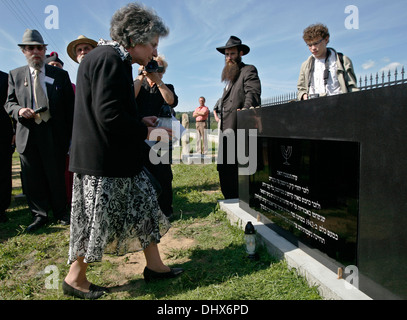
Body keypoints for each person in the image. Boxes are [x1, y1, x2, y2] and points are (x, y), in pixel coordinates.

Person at [63, 3, 183, 299]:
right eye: (153, 45)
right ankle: (75, 278)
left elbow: (109, 110)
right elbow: (108, 117)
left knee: (144, 206)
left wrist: (139, 119)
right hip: (102, 161)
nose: (154, 53)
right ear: (137, 38)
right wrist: (148, 131)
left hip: (119, 158)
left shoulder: (109, 57)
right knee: (94, 221)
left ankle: (155, 267)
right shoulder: (109, 59)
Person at [5, 29, 75, 232]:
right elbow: (9, 104)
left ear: (44, 50)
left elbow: (69, 107)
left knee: (55, 174)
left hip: (54, 133)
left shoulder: (59, 75)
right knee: (33, 176)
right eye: (30, 48)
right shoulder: (15, 75)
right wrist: (20, 110)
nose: (35, 51)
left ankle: (62, 212)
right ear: (24, 51)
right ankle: (39, 215)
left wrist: (71, 135)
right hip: (28, 133)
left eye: (39, 48)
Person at [216, 36, 261, 199]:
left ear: (240, 53)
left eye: (232, 54)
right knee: (226, 168)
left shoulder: (248, 70)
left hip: (239, 127)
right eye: (226, 54)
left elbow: (252, 93)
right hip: (226, 130)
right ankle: (230, 198)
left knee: (239, 167)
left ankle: (241, 199)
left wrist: (246, 110)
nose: (228, 58)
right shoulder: (230, 77)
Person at [134, 55, 178, 218]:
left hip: (161, 136)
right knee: (141, 172)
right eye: (151, 66)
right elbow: (129, 98)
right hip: (140, 134)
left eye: (158, 68)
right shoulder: (139, 85)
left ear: (163, 71)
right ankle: (145, 210)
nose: (154, 70)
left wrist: (157, 80)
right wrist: (140, 75)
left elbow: (171, 100)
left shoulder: (167, 86)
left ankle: (165, 209)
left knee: (163, 173)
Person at [297, 23, 359, 100]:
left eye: (316, 43)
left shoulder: (342, 60)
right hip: (313, 108)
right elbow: (301, 89)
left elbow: (352, 88)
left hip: (339, 106)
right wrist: (303, 95)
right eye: (309, 45)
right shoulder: (305, 65)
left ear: (326, 39)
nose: (313, 48)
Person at [0, 71, 14, 223]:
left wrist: (15, 131)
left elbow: (12, 103)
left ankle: (1, 208)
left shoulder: (5, 78)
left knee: (3, 171)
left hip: (2, 131)